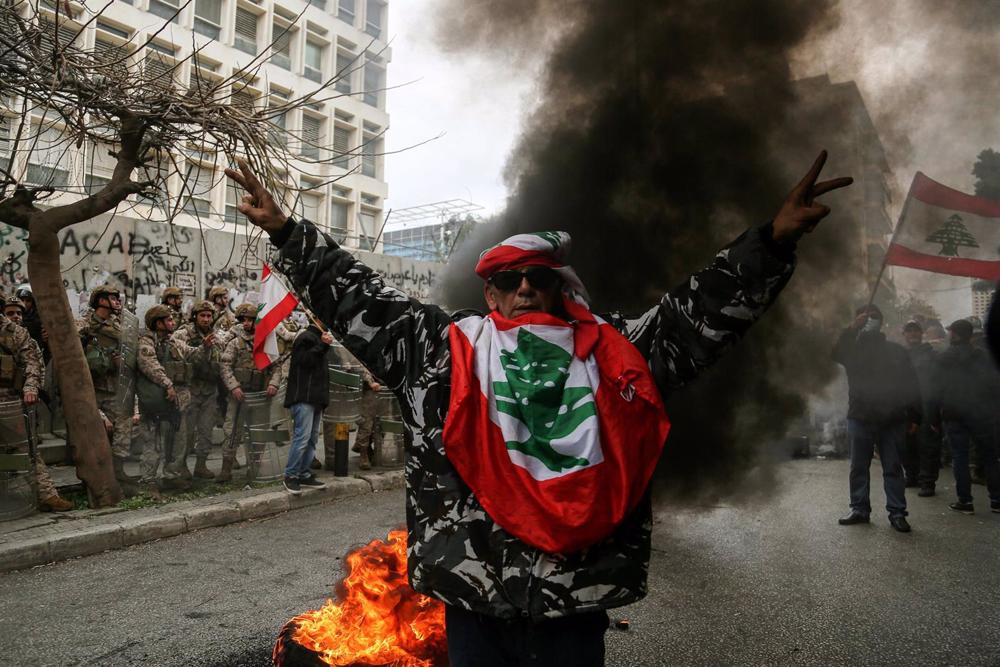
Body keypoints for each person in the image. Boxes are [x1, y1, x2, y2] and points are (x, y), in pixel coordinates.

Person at [227, 151, 852, 664]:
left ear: (561, 286)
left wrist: (769, 244)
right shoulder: (439, 351)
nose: (525, 286)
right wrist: (286, 230)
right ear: (490, 291)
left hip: (572, 599)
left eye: (540, 276)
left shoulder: (615, 353)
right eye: (510, 277)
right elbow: (356, 297)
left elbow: (695, 318)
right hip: (473, 597)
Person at [833, 305, 920, 532]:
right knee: (858, 466)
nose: (871, 321)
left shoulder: (896, 351)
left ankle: (897, 512)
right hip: (861, 416)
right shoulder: (853, 350)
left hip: (892, 419)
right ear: (859, 321)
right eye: (866, 318)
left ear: (882, 322)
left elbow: (911, 385)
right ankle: (859, 509)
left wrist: (915, 416)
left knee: (892, 467)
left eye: (874, 318)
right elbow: (834, 352)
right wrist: (851, 329)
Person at [0, 303, 72, 511]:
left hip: (12, 402)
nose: (16, 316)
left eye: (18, 312)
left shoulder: (15, 332)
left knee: (28, 451)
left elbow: (32, 363)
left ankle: (46, 495)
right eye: (11, 312)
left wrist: (31, 388)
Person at [933, 319, 1000, 514]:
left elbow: (936, 388)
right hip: (981, 413)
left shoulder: (944, 358)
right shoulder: (983, 357)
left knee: (960, 457)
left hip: (954, 413)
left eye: (950, 332)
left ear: (954, 334)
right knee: (990, 456)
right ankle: (997, 500)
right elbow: (994, 385)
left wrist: (935, 415)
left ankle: (965, 501)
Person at [216, 303, 285, 483]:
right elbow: (225, 365)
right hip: (238, 396)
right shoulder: (235, 342)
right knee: (231, 432)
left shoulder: (267, 342)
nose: (246, 323)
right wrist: (234, 387)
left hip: (261, 396)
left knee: (258, 433)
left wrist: (273, 384)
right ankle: (226, 468)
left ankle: (254, 467)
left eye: (250, 320)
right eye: (243, 320)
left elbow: (277, 367)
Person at [78, 285, 136, 487]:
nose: (117, 301)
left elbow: (131, 351)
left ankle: (118, 470)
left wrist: (123, 361)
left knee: (123, 428)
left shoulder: (120, 325)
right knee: (94, 434)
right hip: (91, 388)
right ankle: (95, 477)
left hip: (114, 387)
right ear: (101, 300)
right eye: (112, 298)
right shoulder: (84, 324)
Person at [135, 305, 187, 499]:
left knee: (175, 439)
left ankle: (171, 476)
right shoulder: (146, 342)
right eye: (169, 320)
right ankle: (148, 482)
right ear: (159, 323)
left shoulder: (171, 342)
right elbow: (149, 364)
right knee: (151, 442)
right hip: (152, 401)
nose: (173, 323)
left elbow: (189, 352)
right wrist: (167, 384)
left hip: (170, 401)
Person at [169, 300, 219, 480]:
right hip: (190, 389)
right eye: (202, 315)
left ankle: (201, 465)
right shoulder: (182, 334)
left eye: (209, 316)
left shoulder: (216, 335)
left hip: (209, 390)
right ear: (195, 317)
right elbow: (181, 353)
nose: (206, 319)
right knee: (186, 433)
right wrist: (202, 348)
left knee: (206, 431)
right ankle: (181, 467)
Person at [282, 322, 332, 494]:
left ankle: (303, 473)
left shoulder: (318, 339)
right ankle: (291, 475)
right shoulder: (305, 337)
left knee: (312, 439)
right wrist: (323, 346)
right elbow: (304, 361)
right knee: (302, 438)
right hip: (304, 397)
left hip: (316, 399)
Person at [901, 320, 941, 496]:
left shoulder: (931, 355)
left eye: (915, 331)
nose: (912, 334)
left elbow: (940, 382)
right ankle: (911, 476)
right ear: (904, 335)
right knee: (907, 443)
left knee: (927, 445)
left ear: (921, 333)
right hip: (907, 405)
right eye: (909, 331)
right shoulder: (901, 355)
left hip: (927, 405)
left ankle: (928, 482)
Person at [352, 368, 383, 470]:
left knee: (381, 423)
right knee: (367, 423)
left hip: (384, 385)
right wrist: (369, 381)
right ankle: (363, 453)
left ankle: (367, 448)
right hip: (369, 388)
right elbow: (359, 365)